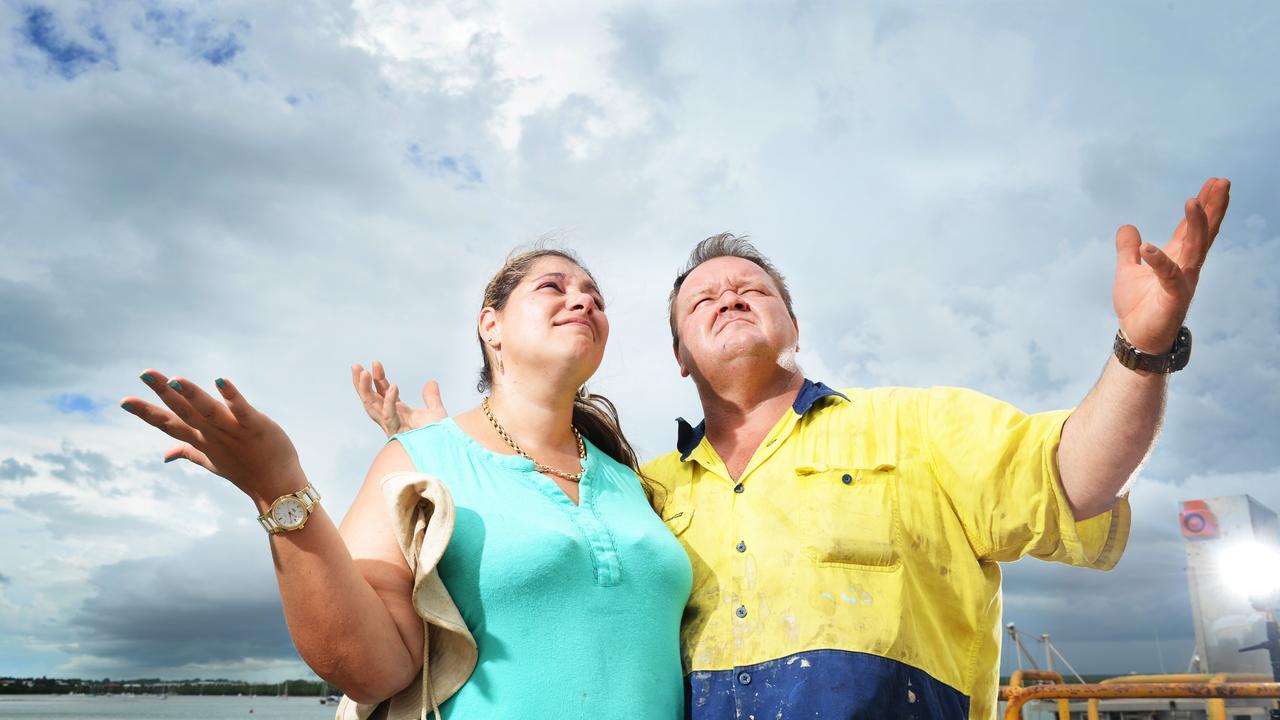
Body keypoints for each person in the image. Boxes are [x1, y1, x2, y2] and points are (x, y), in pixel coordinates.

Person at [359, 178, 1231, 719]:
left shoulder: (916, 429)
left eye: (753, 288)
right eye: (704, 298)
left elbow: (1077, 478)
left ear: (794, 325)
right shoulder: (645, 494)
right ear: (675, 354)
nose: (730, 295)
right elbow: (530, 509)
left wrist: (1142, 350)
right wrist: (436, 447)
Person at [121, 248, 692, 719]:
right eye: (553, 286)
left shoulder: (630, 481)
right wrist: (276, 486)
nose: (584, 299)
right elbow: (372, 669)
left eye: (595, 295)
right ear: (490, 324)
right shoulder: (416, 461)